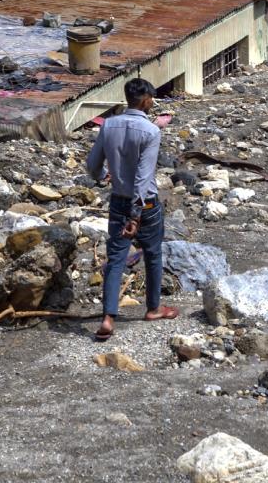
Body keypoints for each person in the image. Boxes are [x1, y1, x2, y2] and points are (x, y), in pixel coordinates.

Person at [85, 77, 178, 340]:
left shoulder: (108, 125)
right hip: (144, 206)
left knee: (115, 259)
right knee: (152, 254)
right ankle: (153, 308)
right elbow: (143, 176)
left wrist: (104, 174)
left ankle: (107, 318)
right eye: (152, 98)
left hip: (117, 200)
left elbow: (92, 164)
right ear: (146, 99)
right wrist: (136, 215)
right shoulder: (151, 131)